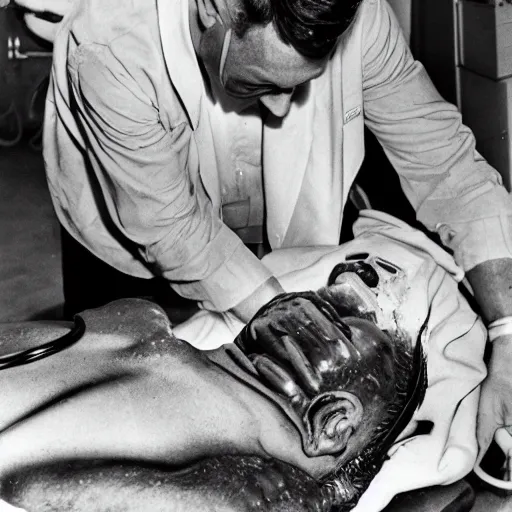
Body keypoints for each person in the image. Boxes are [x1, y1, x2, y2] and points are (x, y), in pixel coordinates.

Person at [13, 0, 512, 486]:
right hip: (129, 246)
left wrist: (508, 335)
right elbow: (171, 228)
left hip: (285, 243)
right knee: (104, 423)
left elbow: (445, 165)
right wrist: (304, 328)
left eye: (304, 86)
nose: (280, 108)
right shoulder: (111, 39)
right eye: (263, 82)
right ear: (215, 8)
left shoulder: (358, 13)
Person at [0, 211, 487, 512]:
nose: (339, 289)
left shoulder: (266, 490)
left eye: (342, 320)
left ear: (334, 422)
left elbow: (31, 486)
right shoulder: (143, 324)